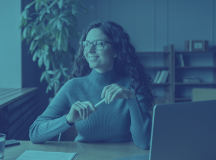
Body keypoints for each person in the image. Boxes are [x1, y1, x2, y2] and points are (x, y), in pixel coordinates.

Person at [29, 20, 155, 150]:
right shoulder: (73, 87)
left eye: (99, 44)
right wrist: (68, 119)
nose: (89, 50)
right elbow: (35, 133)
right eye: (87, 44)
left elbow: (144, 143)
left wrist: (131, 98)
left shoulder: (133, 86)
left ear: (116, 51)